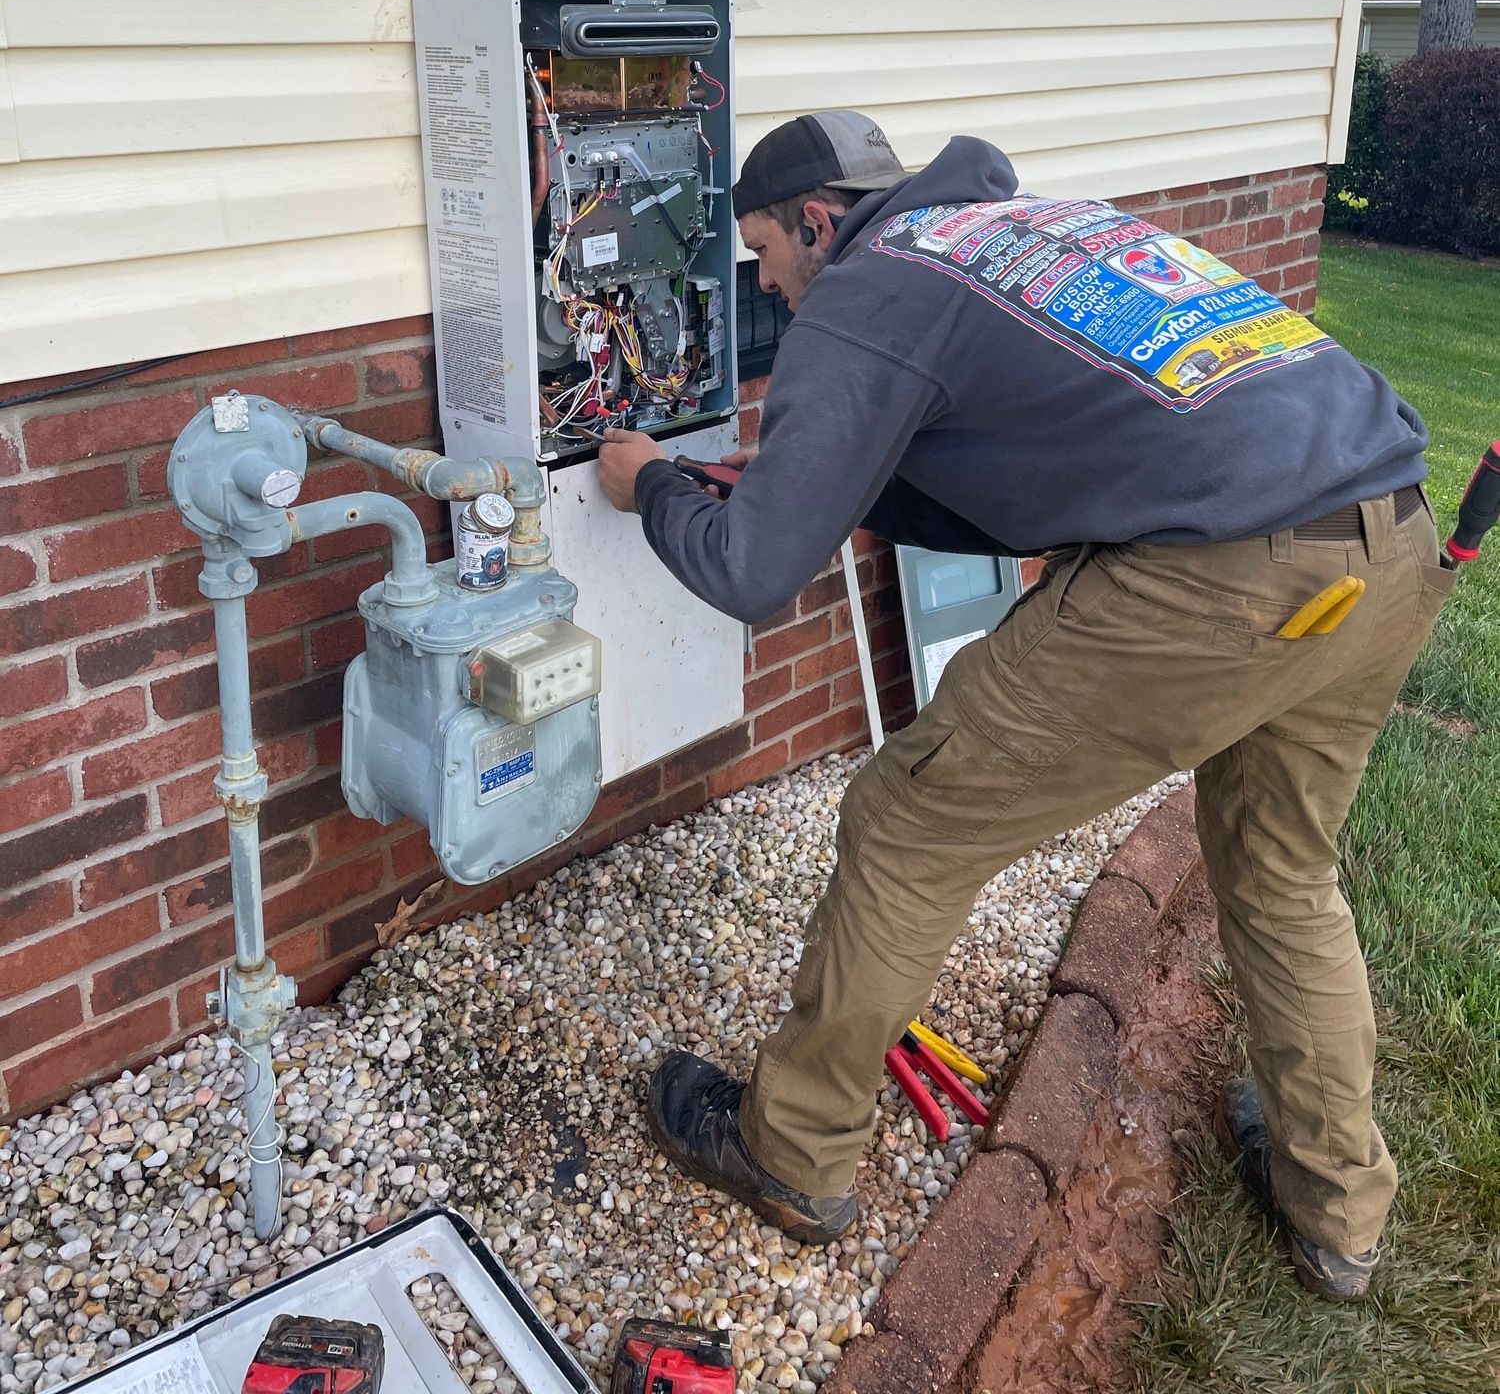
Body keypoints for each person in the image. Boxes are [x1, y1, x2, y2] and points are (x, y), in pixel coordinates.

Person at [597, 111, 1450, 1304]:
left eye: (765, 256)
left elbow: (747, 571)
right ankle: (1340, 1212)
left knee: (907, 820)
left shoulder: (868, 285)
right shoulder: (1014, 230)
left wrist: (651, 488)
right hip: (1389, 533)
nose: (772, 287)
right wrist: (822, 486)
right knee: (1282, 872)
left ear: (819, 222)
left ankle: (789, 1152)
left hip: (1228, 576)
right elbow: (1020, 474)